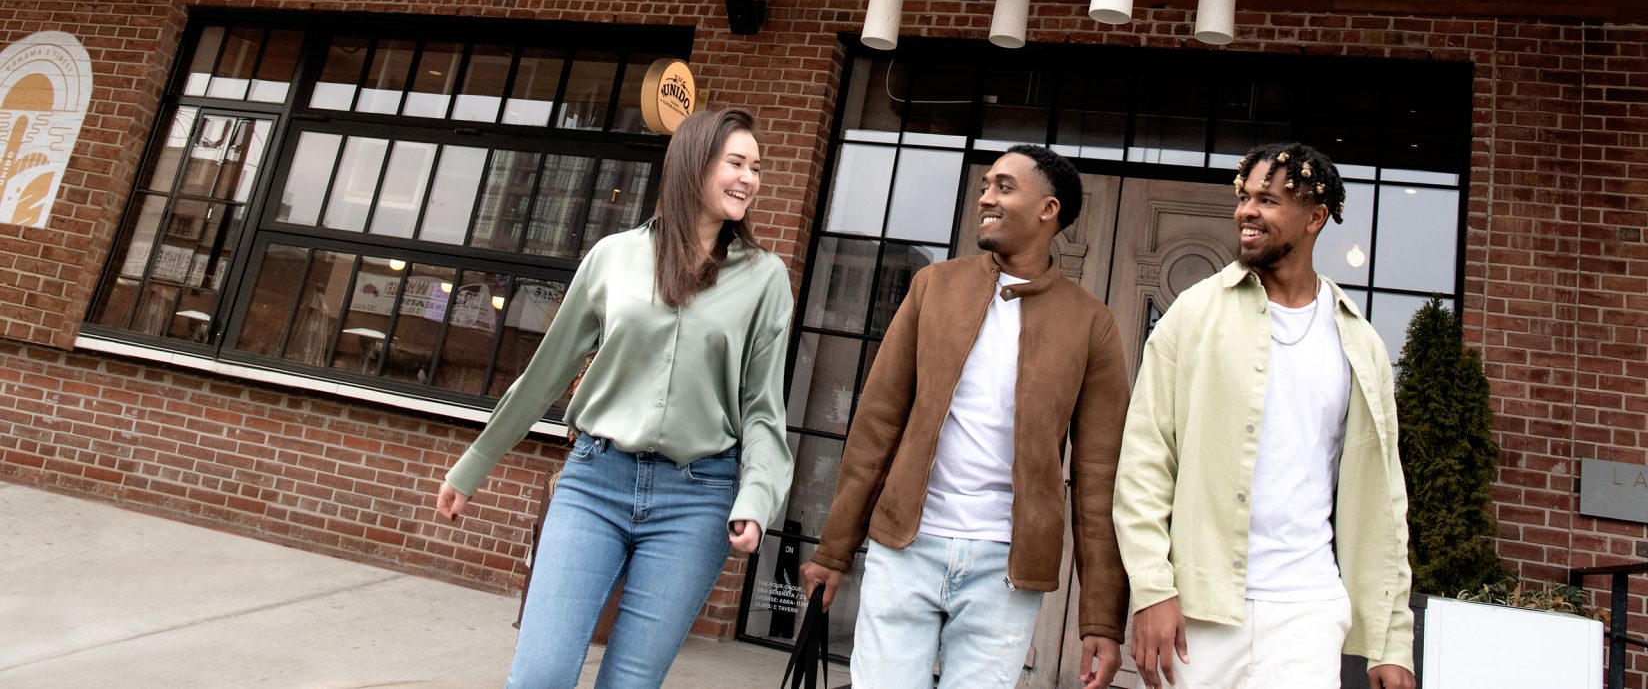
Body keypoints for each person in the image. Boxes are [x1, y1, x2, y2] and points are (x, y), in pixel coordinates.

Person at [433, 107, 794, 689]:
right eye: (736, 163)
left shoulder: (765, 278)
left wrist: (756, 496)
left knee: (629, 682)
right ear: (693, 165)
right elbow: (546, 373)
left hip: (696, 499)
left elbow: (762, 408)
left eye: (756, 167)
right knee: (540, 675)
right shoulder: (613, 256)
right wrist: (475, 463)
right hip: (594, 482)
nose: (750, 179)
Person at [799, 145, 1130, 689]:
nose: (985, 198)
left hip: (1006, 568)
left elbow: (1099, 480)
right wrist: (834, 549)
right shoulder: (935, 287)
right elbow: (877, 426)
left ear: (1049, 210)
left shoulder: (1091, 324)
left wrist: (1100, 618)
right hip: (906, 547)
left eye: (1003, 186)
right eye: (985, 186)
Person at [1114, 142, 1415, 689]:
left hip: (1310, 606)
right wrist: (1153, 587)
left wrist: (1392, 642)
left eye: (1270, 200)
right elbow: (1145, 458)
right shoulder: (1194, 313)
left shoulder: (1360, 342)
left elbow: (1384, 498)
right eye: (1246, 197)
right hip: (1202, 608)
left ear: (1315, 217)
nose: (1247, 211)